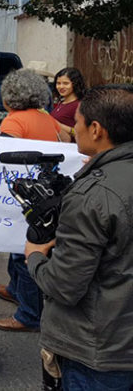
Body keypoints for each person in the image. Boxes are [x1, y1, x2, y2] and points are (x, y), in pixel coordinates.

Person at [26, 85, 133, 389]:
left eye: (77, 123)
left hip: (101, 352)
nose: (74, 131)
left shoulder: (93, 196)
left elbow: (65, 285)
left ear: (96, 130)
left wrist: (34, 257)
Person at [0, 69, 67, 333]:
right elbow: (65, 143)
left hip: (25, 194)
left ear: (9, 98)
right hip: (48, 191)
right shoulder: (47, 118)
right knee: (20, 247)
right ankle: (15, 290)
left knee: (21, 252)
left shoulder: (13, 122)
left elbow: (2, 158)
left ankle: (28, 315)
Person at [51, 67, 86, 138]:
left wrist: (59, 125)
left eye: (66, 83)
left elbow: (84, 134)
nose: (61, 87)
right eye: (58, 83)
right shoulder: (61, 103)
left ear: (75, 84)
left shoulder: (79, 105)